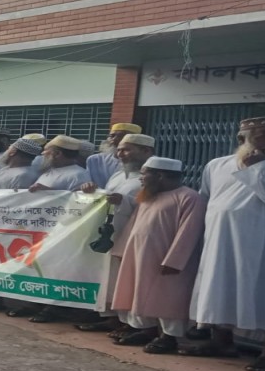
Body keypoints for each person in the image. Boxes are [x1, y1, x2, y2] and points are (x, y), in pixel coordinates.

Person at [186, 116, 265, 371]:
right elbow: (206, 198)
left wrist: (259, 168)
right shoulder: (217, 165)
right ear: (241, 139)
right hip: (220, 240)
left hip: (264, 245)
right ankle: (221, 341)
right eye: (263, 136)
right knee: (219, 287)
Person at [104, 156, 205, 355]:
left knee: (169, 297)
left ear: (159, 175)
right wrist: (123, 250)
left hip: (167, 260)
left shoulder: (189, 197)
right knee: (138, 292)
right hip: (139, 256)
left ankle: (170, 337)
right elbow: (134, 224)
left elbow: (189, 231)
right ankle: (146, 330)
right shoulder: (148, 196)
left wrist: (175, 260)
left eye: (144, 174)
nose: (141, 178)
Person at [72, 133, 157, 330]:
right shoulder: (118, 175)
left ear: (146, 151)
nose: (120, 154)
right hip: (110, 235)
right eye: (119, 150)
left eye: (127, 149)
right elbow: (106, 200)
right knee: (110, 277)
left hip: (135, 236)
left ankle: (134, 323)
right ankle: (110, 316)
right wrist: (92, 190)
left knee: (129, 279)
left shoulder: (151, 178)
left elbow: (153, 207)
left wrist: (123, 202)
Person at [87, 123, 142, 189]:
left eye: (122, 136)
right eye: (112, 136)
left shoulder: (139, 163)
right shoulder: (95, 160)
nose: (114, 139)